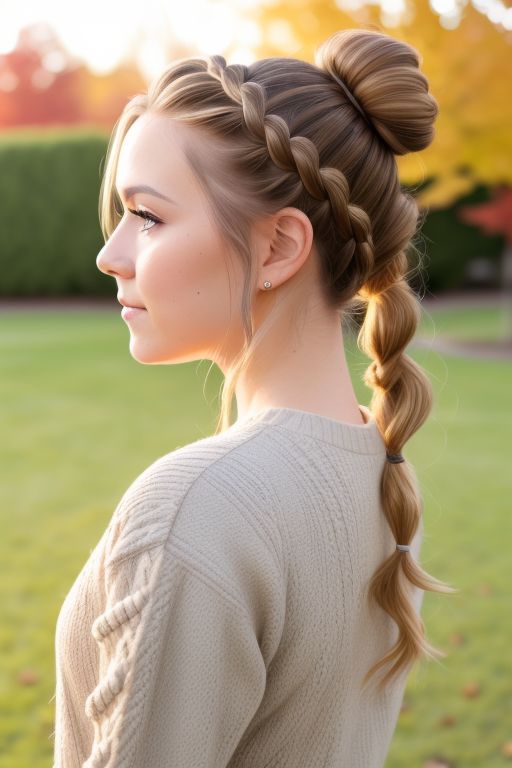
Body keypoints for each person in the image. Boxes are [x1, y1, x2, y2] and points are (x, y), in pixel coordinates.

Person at [52, 27, 457, 768]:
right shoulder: (387, 472)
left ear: (277, 249)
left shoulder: (196, 506)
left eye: (148, 216)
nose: (111, 256)